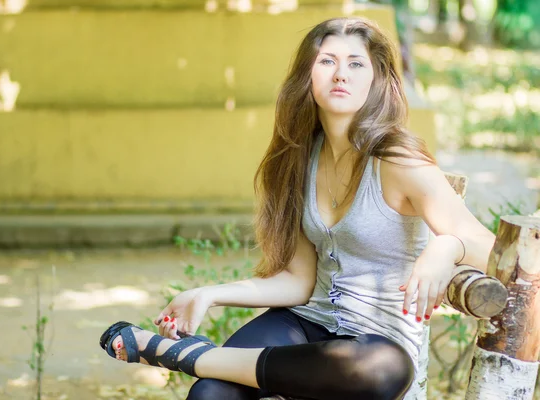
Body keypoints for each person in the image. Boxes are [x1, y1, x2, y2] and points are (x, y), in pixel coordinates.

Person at [99, 17, 495, 400]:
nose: (341, 74)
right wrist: (208, 294)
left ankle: (190, 356)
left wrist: (447, 248)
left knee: (384, 368)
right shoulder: (301, 158)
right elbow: (299, 281)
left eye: (356, 64)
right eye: (328, 61)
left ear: (375, 79)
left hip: (370, 350)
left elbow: (491, 248)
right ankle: (203, 361)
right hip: (304, 326)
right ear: (307, 76)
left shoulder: (396, 160)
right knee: (212, 393)